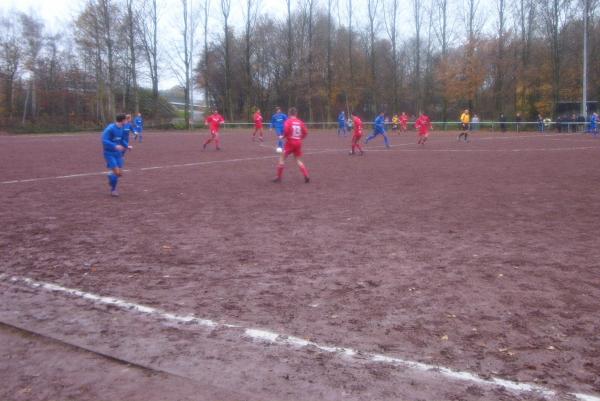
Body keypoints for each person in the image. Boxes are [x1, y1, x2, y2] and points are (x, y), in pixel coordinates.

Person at [273, 107, 310, 183]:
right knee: (298, 160)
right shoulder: (300, 122)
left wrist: (282, 136)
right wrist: (300, 138)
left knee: (282, 158)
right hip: (298, 143)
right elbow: (306, 132)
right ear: (296, 114)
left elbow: (286, 131)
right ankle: (306, 175)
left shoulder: (288, 121)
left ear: (289, 114)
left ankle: (278, 177)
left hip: (290, 143)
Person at [102, 113, 131, 197]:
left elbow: (121, 140)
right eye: (126, 119)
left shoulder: (122, 128)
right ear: (123, 120)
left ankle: (111, 177)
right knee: (117, 172)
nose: (127, 121)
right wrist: (115, 145)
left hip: (118, 154)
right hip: (109, 153)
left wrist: (127, 146)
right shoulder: (110, 129)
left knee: (119, 174)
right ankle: (113, 190)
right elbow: (104, 140)